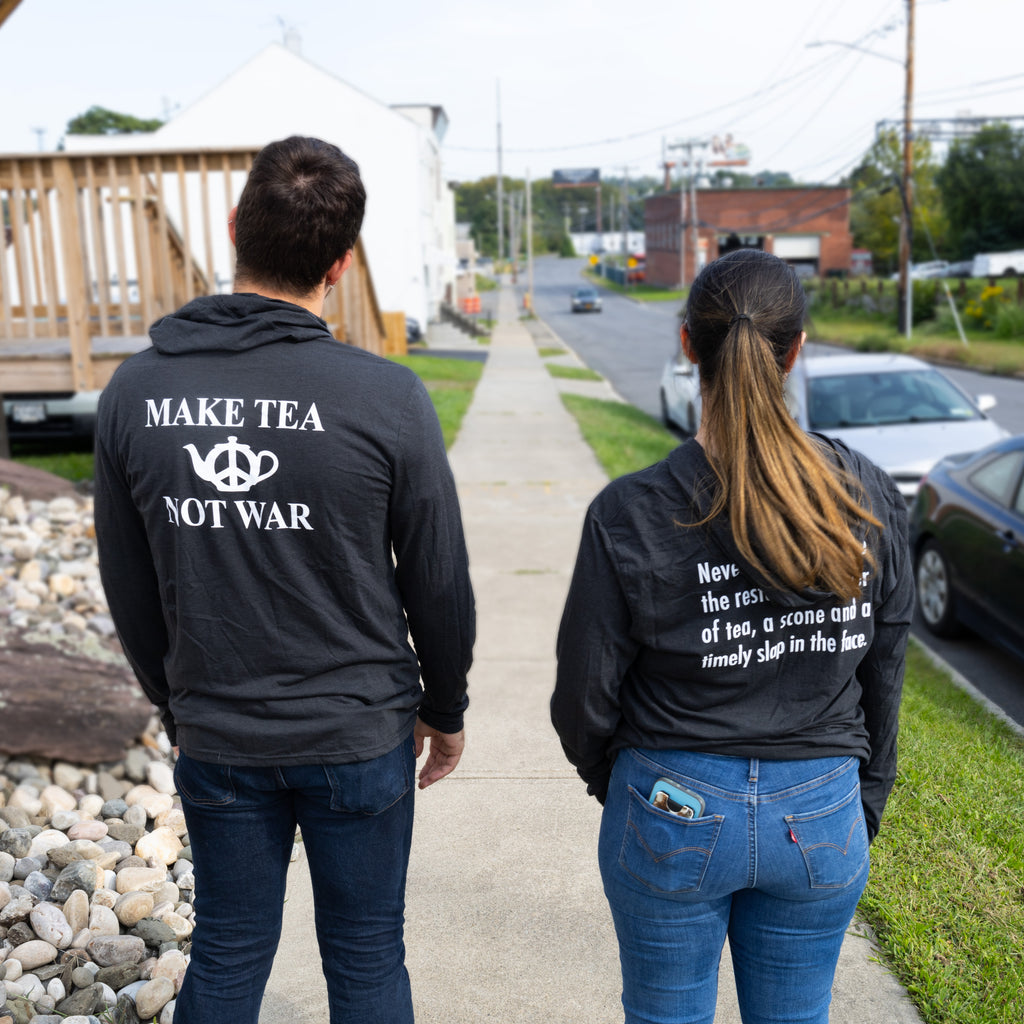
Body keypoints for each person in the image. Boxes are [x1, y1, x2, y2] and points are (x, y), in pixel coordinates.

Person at [94, 135, 475, 1024]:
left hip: (222, 736)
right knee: (369, 958)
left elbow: (129, 586)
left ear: (234, 228)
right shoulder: (385, 399)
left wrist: (177, 703)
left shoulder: (134, 395)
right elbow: (439, 583)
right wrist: (446, 708)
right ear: (340, 264)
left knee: (227, 955)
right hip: (358, 737)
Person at [551, 248, 912, 1024]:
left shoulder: (630, 512)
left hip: (672, 804)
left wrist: (620, 788)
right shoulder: (865, 494)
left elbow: (583, 694)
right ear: (798, 348)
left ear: (688, 344)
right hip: (821, 811)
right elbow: (887, 661)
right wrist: (865, 796)